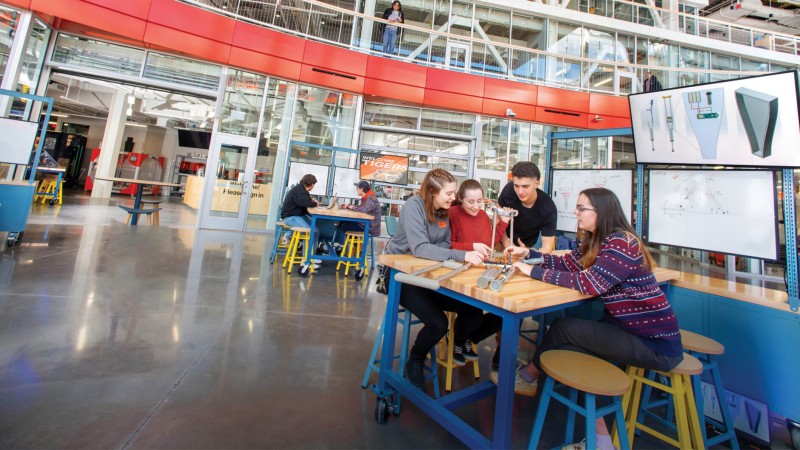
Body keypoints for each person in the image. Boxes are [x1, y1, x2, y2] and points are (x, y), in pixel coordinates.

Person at [504, 187, 683, 449]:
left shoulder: (622, 243)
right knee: (573, 348)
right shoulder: (599, 240)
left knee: (564, 328)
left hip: (653, 344)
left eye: (581, 208)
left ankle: (529, 376)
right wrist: (530, 255)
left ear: (601, 212)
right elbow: (568, 263)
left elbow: (591, 283)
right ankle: (600, 439)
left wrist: (532, 272)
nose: (575, 213)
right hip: (626, 331)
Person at [383, 168, 500, 390]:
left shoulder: (443, 212)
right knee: (438, 323)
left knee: (472, 309)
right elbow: (420, 248)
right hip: (400, 277)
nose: (453, 198)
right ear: (432, 192)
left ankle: (462, 342)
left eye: (454, 192)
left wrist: (449, 252)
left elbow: (444, 245)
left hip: (429, 274)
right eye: (449, 193)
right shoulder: (413, 207)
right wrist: (462, 254)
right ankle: (416, 359)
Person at [449, 179, 511, 367]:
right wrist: (471, 247)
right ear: (460, 198)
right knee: (473, 312)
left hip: (480, 272)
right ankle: (459, 342)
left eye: (480, 201)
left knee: (503, 316)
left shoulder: (484, 215)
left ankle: (467, 338)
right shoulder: (452, 213)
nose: (476, 206)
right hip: (459, 273)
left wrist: (504, 223)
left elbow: (491, 243)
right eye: (471, 202)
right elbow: (448, 245)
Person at [497, 161, 557, 252]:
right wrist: (507, 243)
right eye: (516, 186)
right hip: (503, 240)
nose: (520, 191)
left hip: (527, 245)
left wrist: (527, 253)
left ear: (537, 183)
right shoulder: (509, 190)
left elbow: (547, 247)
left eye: (525, 186)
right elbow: (496, 217)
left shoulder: (548, 208)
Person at [280, 174, 321, 266]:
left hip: (298, 216)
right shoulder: (300, 190)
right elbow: (305, 202)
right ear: (311, 184)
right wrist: (314, 203)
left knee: (316, 230)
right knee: (309, 231)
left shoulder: (302, 191)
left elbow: (306, 203)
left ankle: (311, 256)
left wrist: (312, 202)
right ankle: (306, 261)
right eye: (314, 184)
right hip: (290, 217)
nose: (313, 186)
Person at [335, 180, 381, 250]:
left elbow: (363, 210)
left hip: (370, 226)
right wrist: (349, 205)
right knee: (342, 223)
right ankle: (353, 247)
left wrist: (349, 207)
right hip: (365, 223)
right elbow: (361, 207)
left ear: (361, 189)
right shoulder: (367, 197)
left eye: (357, 188)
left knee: (345, 226)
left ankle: (358, 248)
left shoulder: (371, 198)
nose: (356, 190)